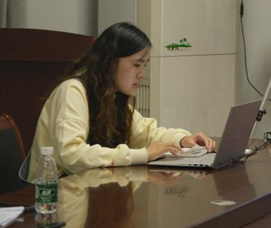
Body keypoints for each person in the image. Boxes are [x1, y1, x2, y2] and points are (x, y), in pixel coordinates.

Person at [25, 22, 215, 181]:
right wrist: (143, 155)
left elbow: (147, 133)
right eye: (137, 64)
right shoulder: (73, 91)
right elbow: (72, 155)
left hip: (91, 192)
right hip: (51, 199)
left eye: (145, 65)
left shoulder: (112, 96)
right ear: (109, 61)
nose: (141, 74)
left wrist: (182, 140)